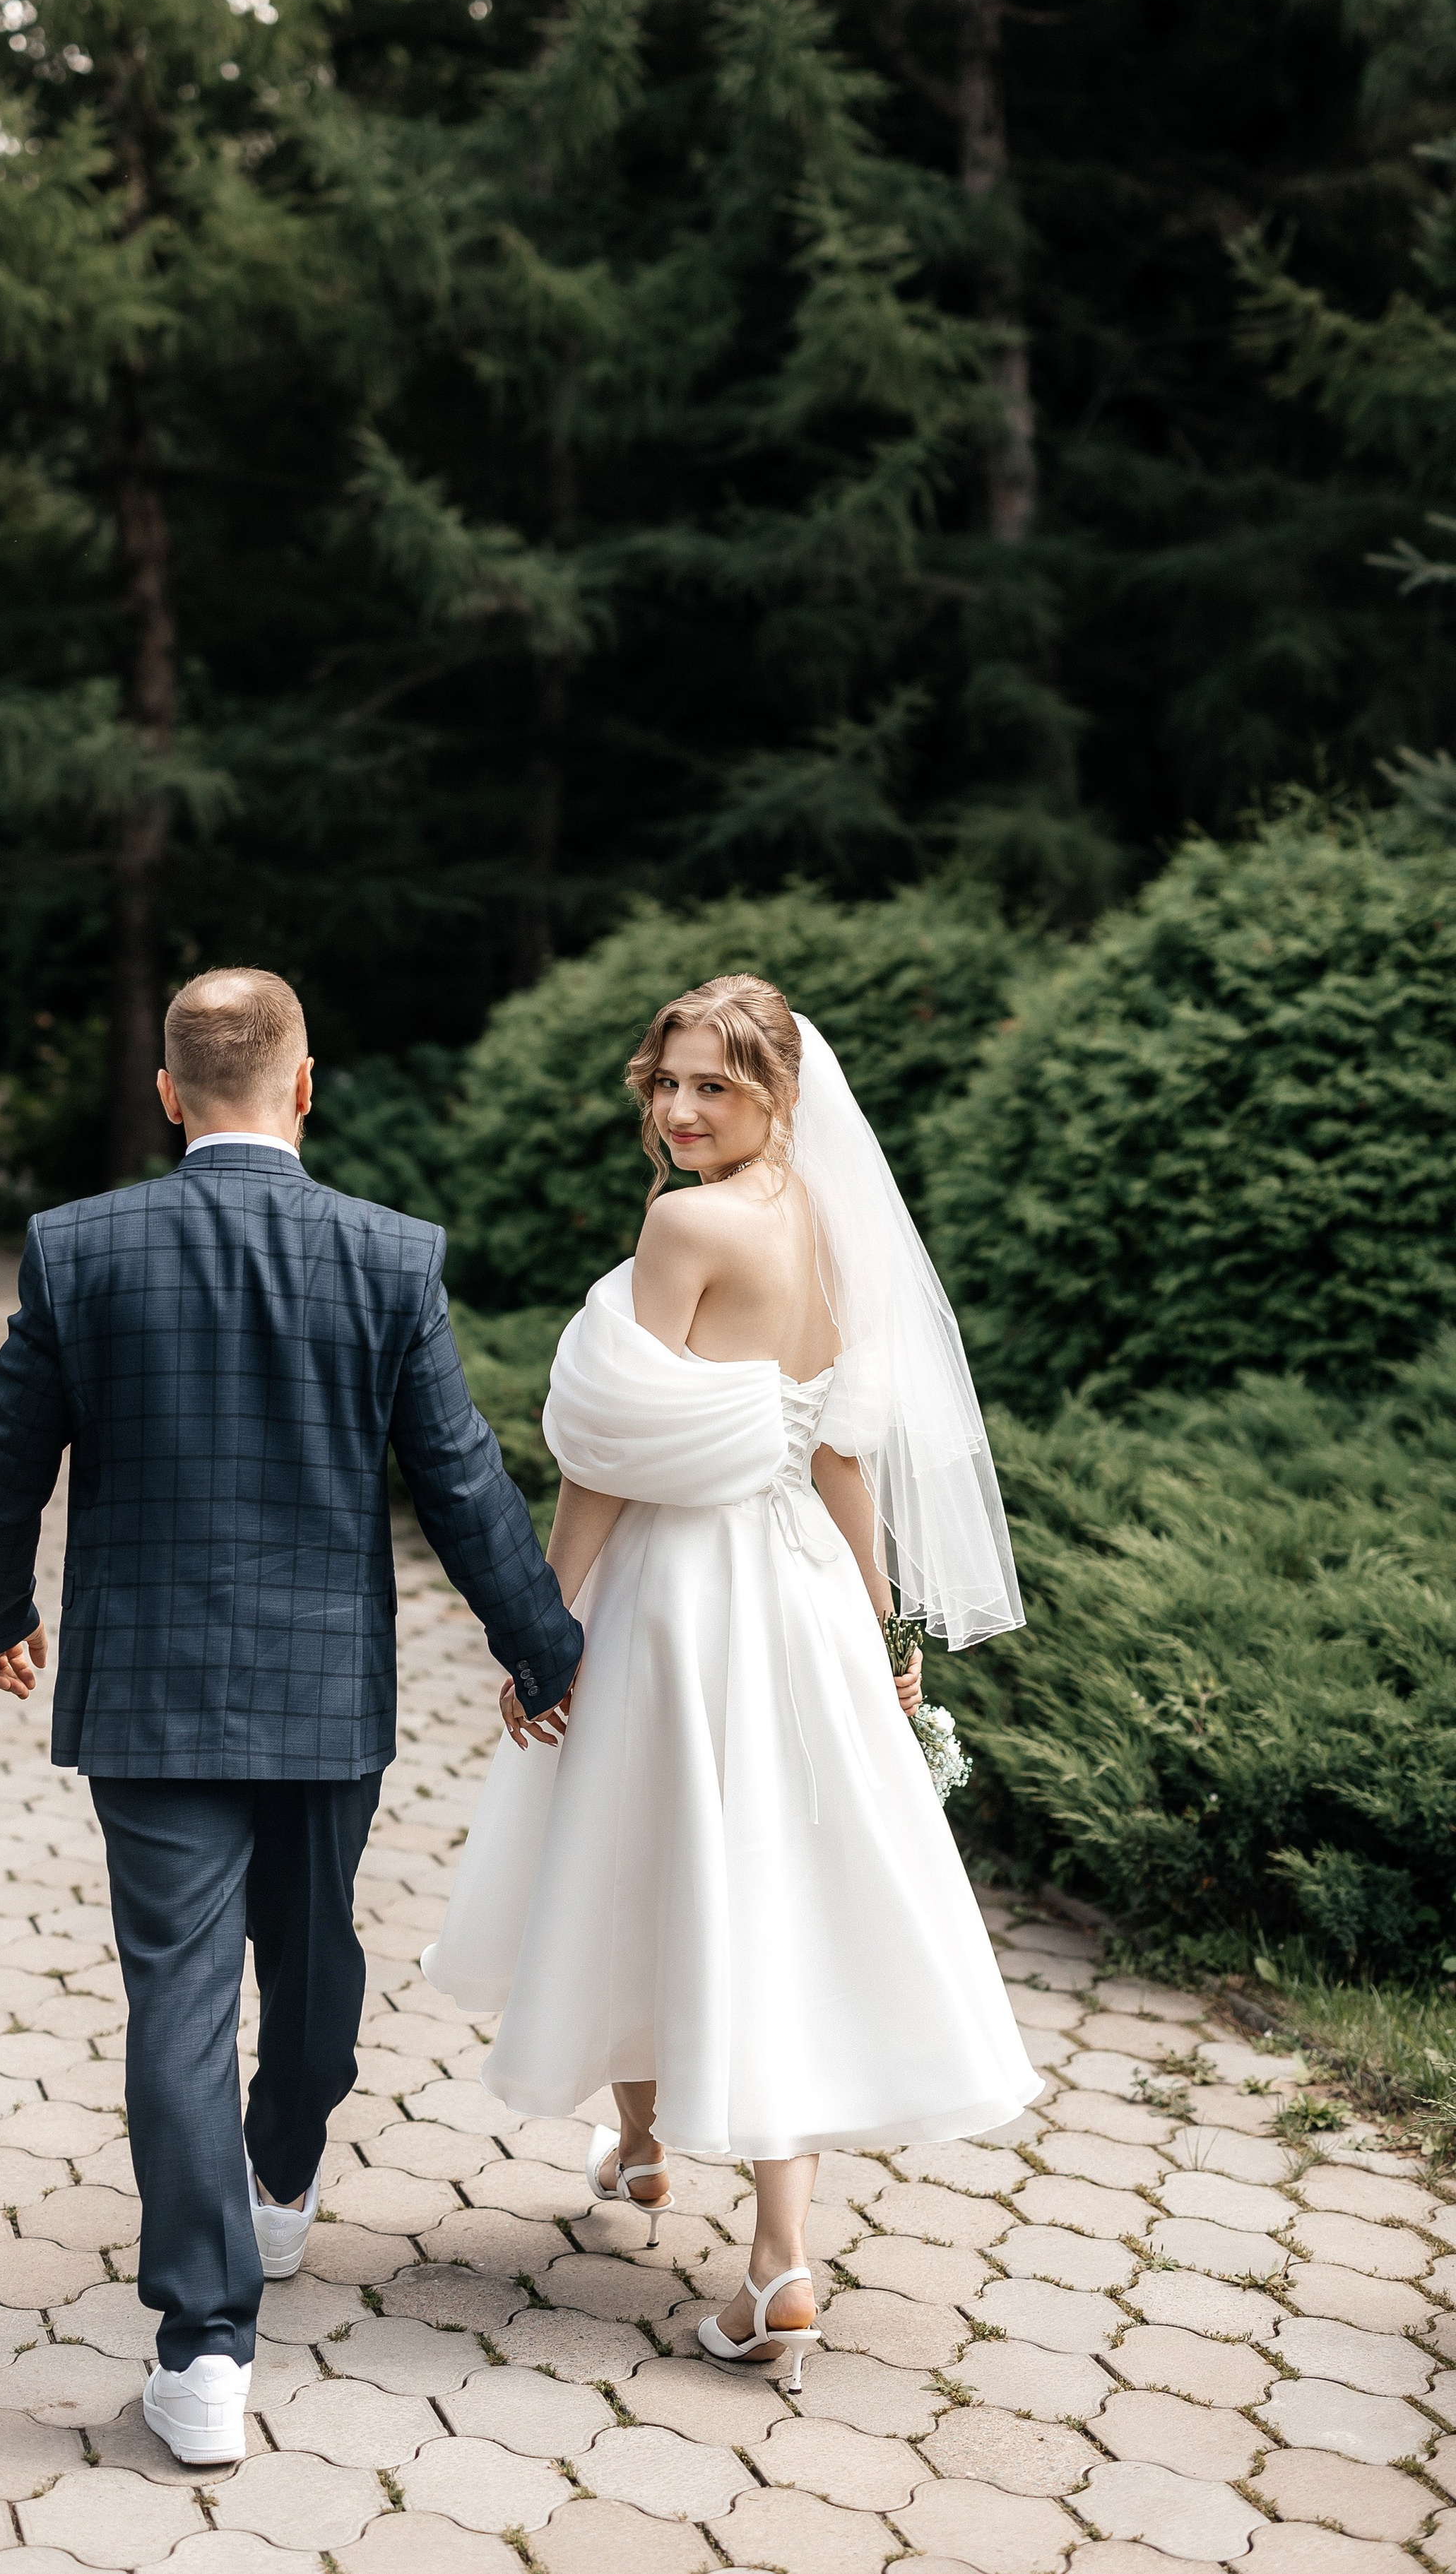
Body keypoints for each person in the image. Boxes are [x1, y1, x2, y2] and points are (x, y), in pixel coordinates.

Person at [0, 967, 582, 2466]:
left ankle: (202, 2352)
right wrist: (546, 1652)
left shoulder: (78, 1246)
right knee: (312, 1965)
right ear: (305, 1085)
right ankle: (280, 2176)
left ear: (169, 1093)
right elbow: (461, 1478)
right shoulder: (384, 1254)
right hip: (320, 1693)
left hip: (147, 1695)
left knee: (176, 2004)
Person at [424, 973, 1040, 2390]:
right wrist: (883, 1633)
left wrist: (545, 1621)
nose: (681, 1108)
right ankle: (770, 2245)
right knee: (764, 1882)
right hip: (802, 1594)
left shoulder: (680, 1223)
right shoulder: (829, 1223)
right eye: (667, 1080)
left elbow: (607, 1458)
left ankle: (668, 2165)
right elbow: (838, 1456)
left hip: (681, 1595)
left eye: (714, 1083)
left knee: (639, 1855)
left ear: (778, 1093)